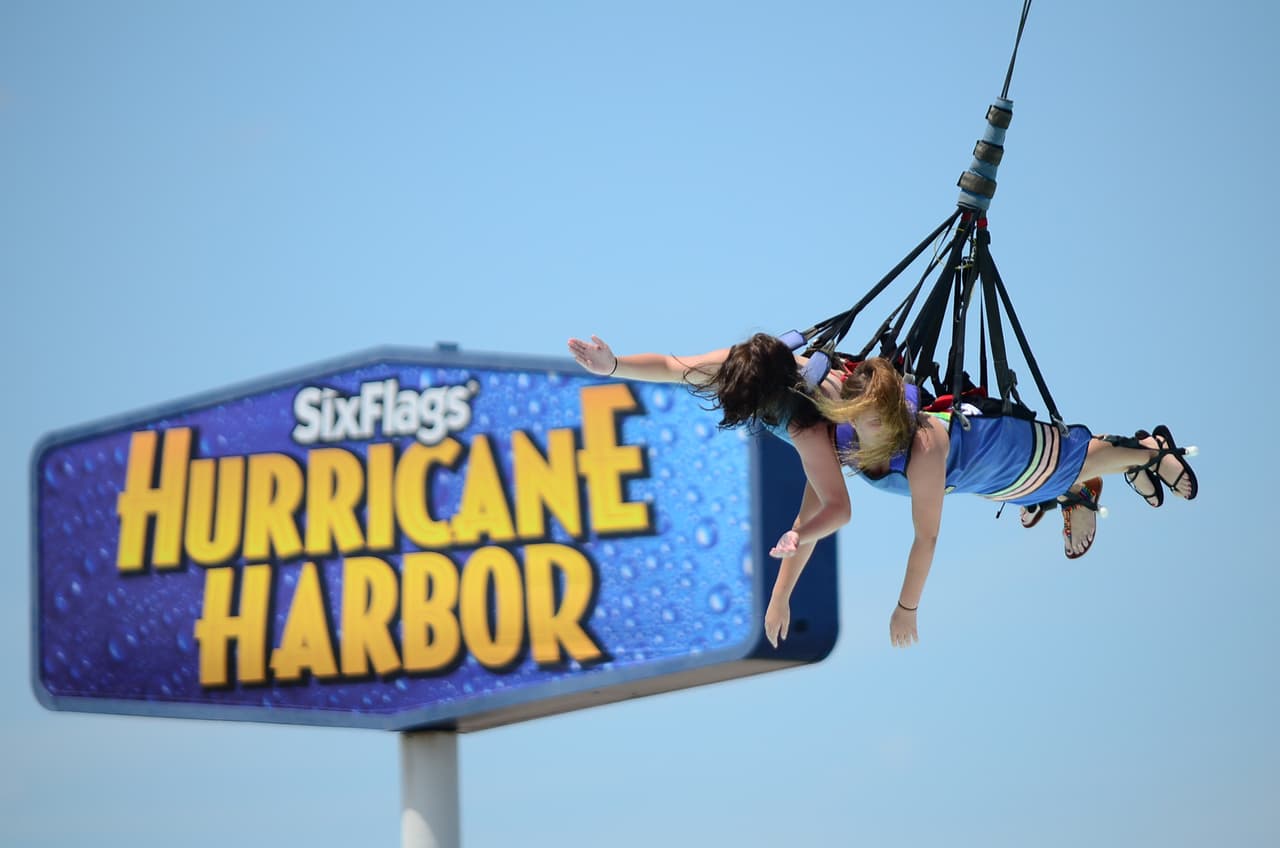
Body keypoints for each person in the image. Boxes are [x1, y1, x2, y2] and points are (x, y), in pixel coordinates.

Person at [566, 333, 1198, 649]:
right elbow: (677, 368)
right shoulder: (756, 365)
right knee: (1033, 481)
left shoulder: (817, 430)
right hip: (973, 470)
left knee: (1067, 460)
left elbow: (838, 512)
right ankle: (1093, 478)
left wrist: (906, 608)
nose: (842, 393)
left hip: (987, 454)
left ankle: (1143, 454)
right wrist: (613, 365)